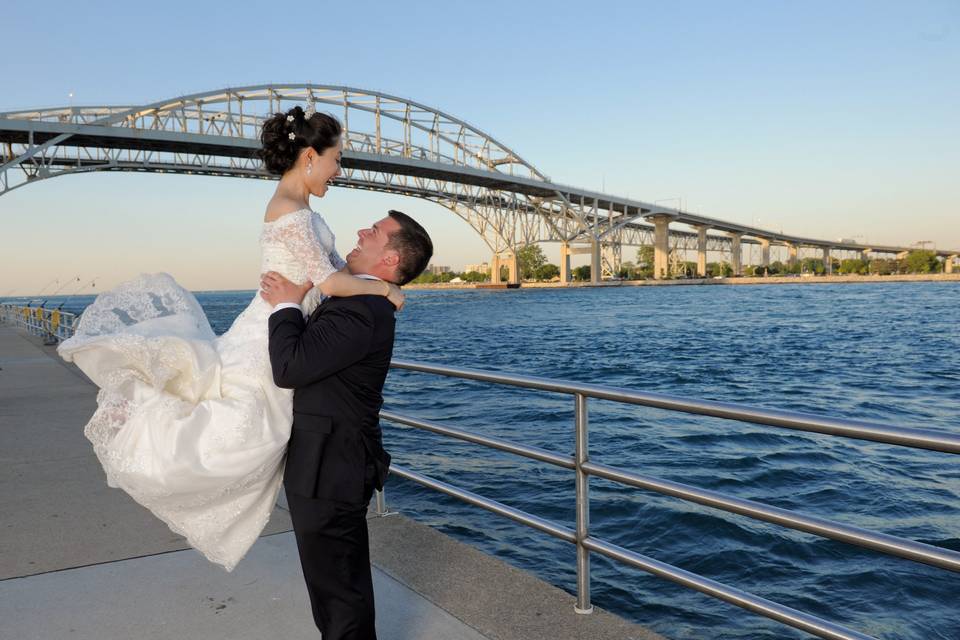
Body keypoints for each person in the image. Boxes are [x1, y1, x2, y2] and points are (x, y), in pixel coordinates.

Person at [57, 105, 404, 570]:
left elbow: (335, 273)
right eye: (336, 158)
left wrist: (364, 285)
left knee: (256, 426)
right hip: (272, 331)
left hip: (283, 319)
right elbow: (329, 282)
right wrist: (385, 287)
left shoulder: (300, 209)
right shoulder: (294, 215)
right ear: (309, 156)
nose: (339, 170)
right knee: (241, 431)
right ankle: (151, 431)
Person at [262, 209, 432, 640]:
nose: (361, 231)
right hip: (327, 463)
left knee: (340, 594)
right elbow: (327, 270)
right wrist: (387, 289)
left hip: (330, 467)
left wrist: (284, 305)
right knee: (333, 587)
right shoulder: (365, 298)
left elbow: (289, 367)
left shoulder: (362, 311)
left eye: (373, 232)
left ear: (391, 259)